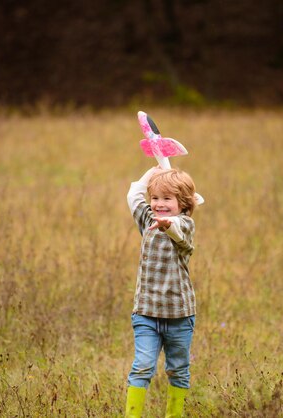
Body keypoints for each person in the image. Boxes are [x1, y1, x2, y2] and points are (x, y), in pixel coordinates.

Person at [125, 166, 199, 418]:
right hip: (146, 313)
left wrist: (168, 225)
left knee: (178, 370)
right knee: (142, 367)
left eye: (167, 199)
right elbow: (134, 195)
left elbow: (177, 231)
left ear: (184, 203)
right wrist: (150, 174)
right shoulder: (148, 221)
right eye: (155, 198)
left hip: (179, 316)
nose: (159, 204)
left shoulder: (186, 224)